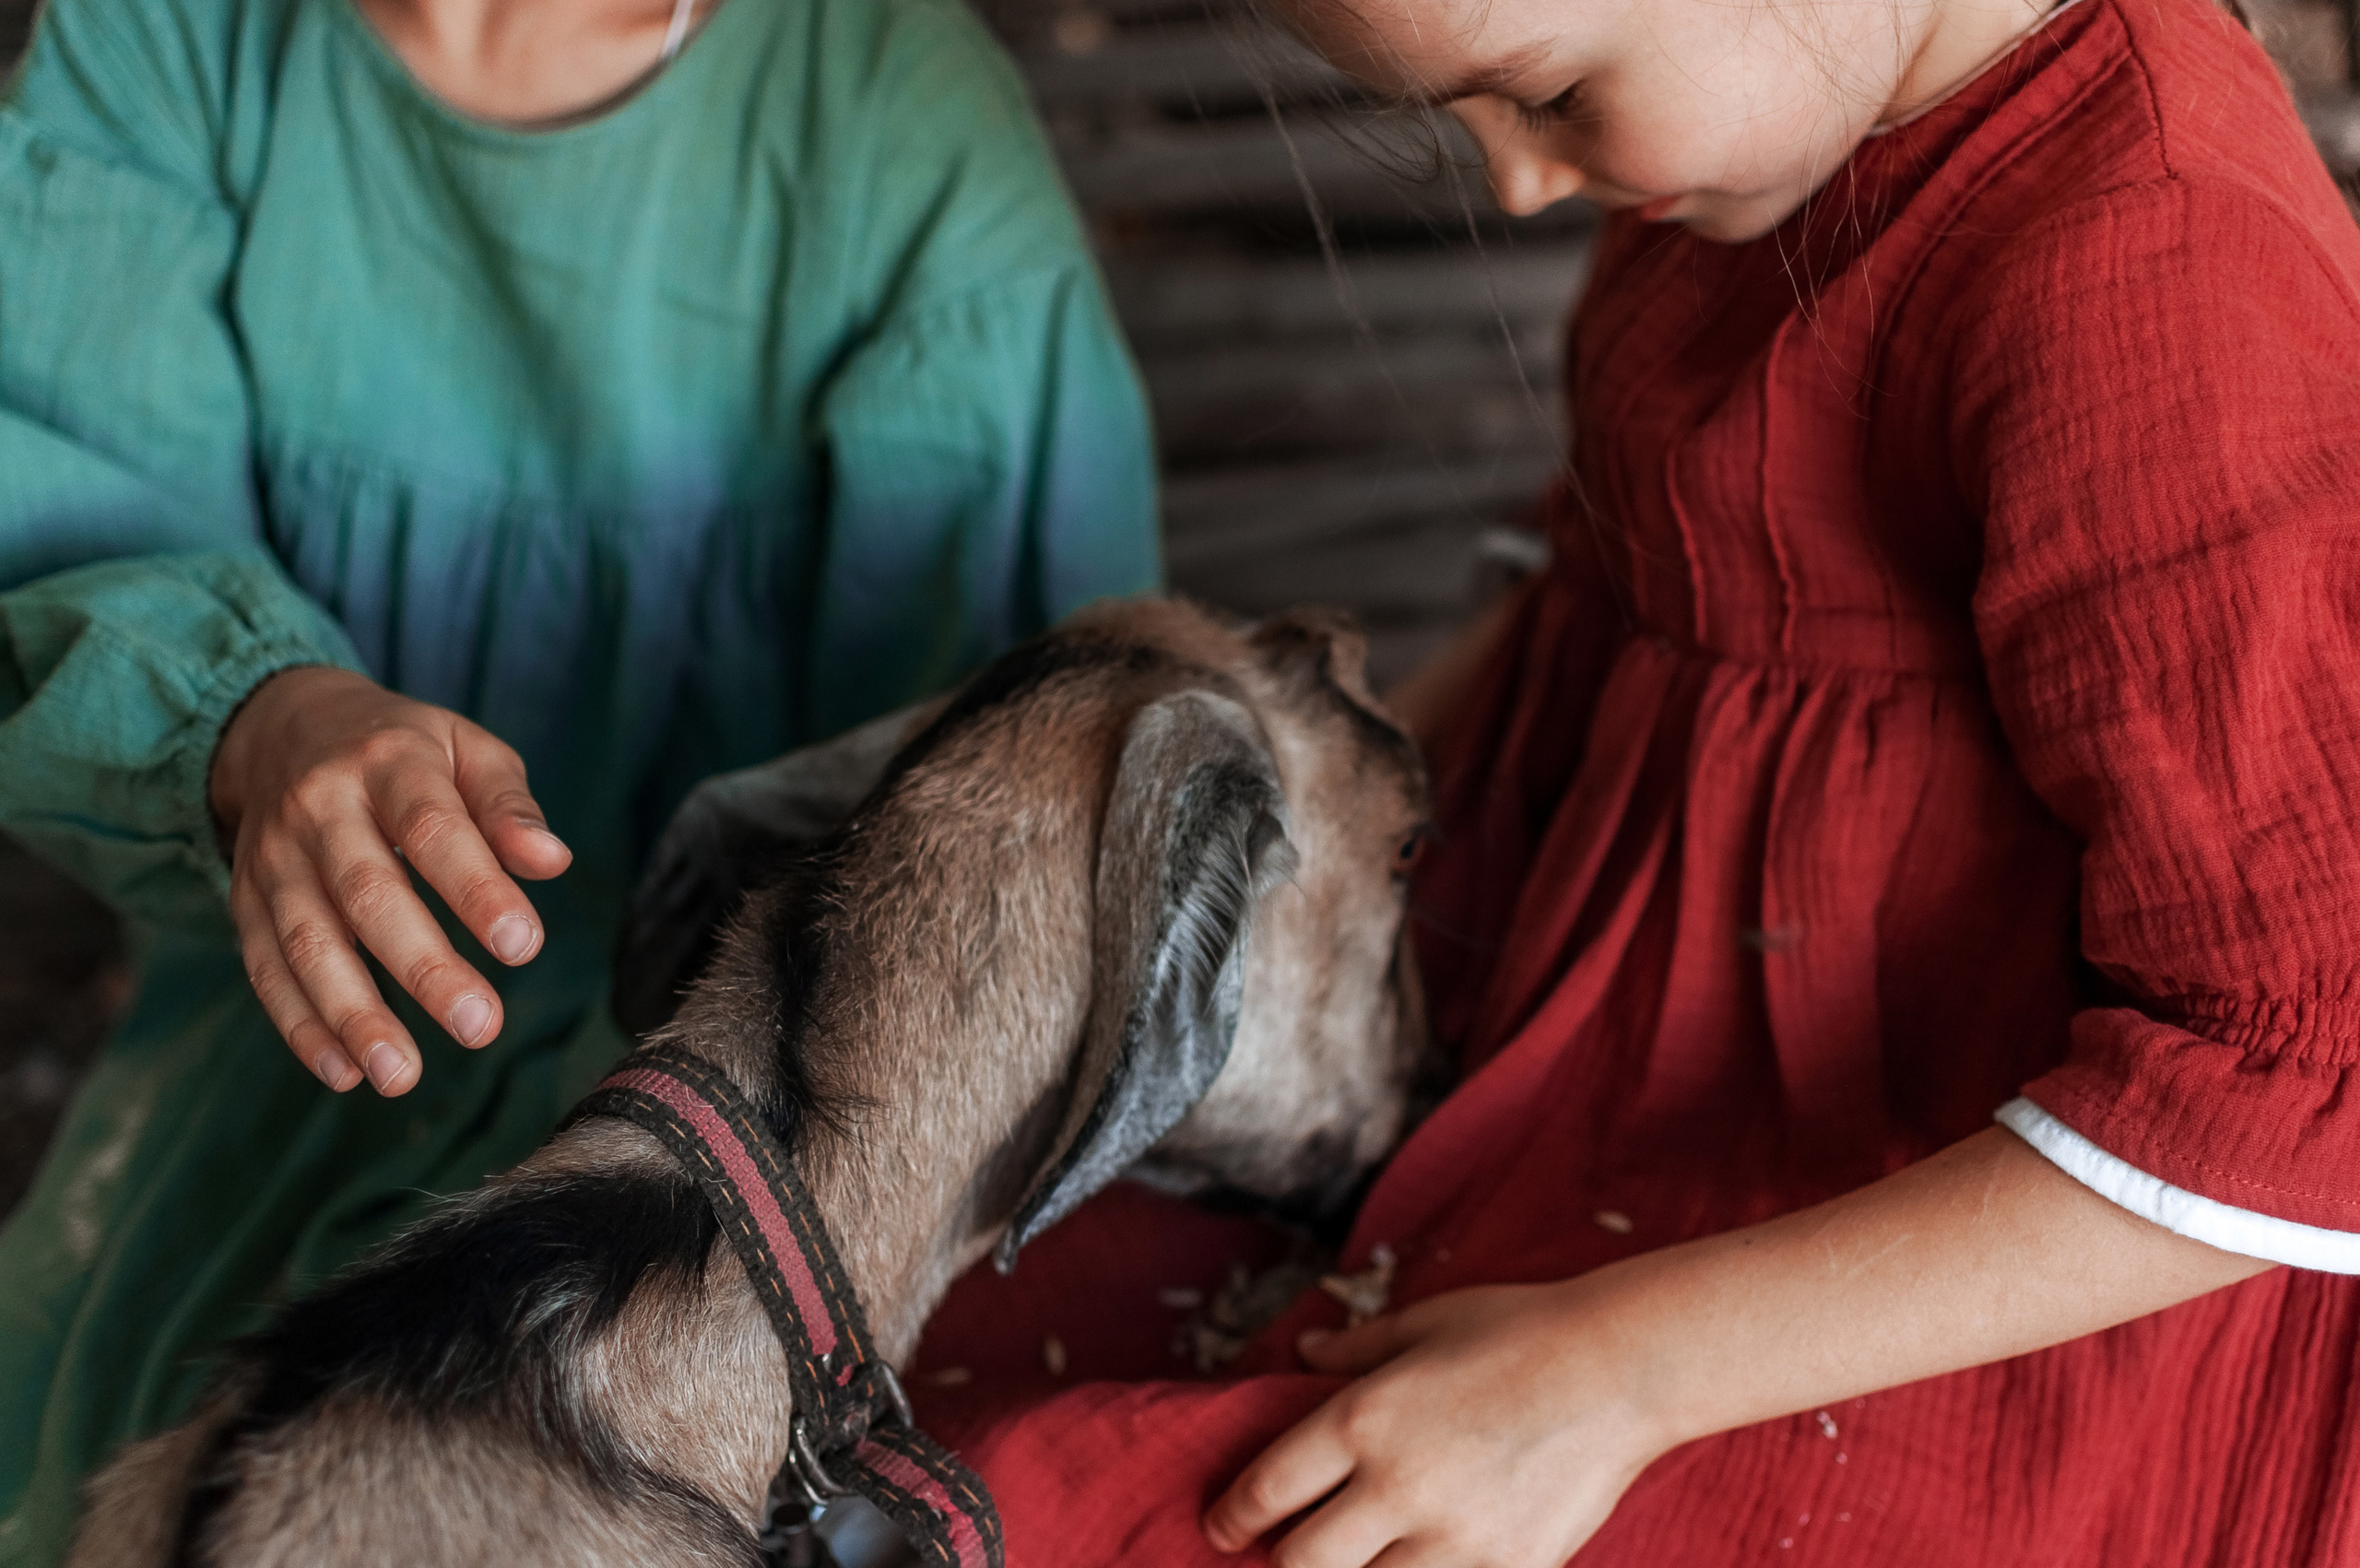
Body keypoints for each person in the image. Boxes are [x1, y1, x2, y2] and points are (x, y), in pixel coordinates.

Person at [899, 0, 2360, 1558]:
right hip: (1564, 1072)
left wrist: (1608, 1376)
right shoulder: (1773, 148)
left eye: (1552, 99)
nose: (1519, 185)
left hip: (1889, 1287)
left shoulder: (2155, 267)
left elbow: (2302, 1063)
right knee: (929, 1333)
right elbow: (1608, 601)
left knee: (1089, 1511)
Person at [0, 0, 1155, 1554]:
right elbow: (57, 503)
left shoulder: (892, 113)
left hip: (769, 1170)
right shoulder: (169, 43)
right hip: (283, 1069)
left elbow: (1010, 776)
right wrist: (261, 722)